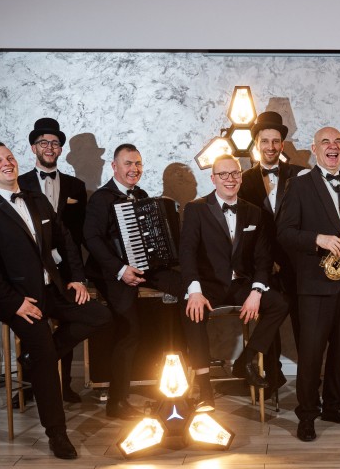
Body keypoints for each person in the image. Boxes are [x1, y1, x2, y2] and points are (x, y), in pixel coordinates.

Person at [0, 142, 112, 459]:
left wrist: (77, 277)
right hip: (15, 298)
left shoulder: (36, 198)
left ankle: (34, 360)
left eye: (9, 157)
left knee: (99, 316)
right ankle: (57, 433)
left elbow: (65, 239)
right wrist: (16, 303)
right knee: (46, 354)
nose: (6, 163)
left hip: (50, 289)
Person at [83, 143, 207, 419]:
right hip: (112, 272)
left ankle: (187, 376)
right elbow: (91, 239)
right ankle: (116, 402)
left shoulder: (141, 196)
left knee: (187, 290)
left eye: (138, 163)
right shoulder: (101, 198)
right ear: (114, 167)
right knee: (130, 331)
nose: (134, 168)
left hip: (143, 267)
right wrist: (121, 269)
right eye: (128, 163)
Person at [276, 126, 340, 442]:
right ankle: (307, 415)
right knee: (311, 353)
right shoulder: (299, 185)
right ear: (314, 149)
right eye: (325, 142)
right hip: (316, 281)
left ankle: (334, 406)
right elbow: (284, 232)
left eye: (338, 142)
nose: (332, 146)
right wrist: (317, 239)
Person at [180, 153, 289, 403]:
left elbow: (263, 258)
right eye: (223, 174)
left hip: (241, 285)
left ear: (241, 177)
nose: (230, 179)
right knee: (191, 311)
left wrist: (256, 292)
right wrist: (194, 291)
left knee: (280, 303)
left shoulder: (254, 213)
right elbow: (187, 253)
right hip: (208, 286)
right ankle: (204, 388)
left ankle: (246, 361)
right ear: (213, 179)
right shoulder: (196, 209)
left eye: (235, 173)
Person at [233, 111, 306, 396]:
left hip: (297, 263)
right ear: (256, 144)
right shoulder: (242, 179)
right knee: (270, 319)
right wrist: (263, 262)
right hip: (261, 266)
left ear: (282, 145)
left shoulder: (300, 175)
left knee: (303, 324)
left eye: (276, 141)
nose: (271, 147)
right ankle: (271, 378)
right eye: (265, 141)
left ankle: (309, 383)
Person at [18, 117, 88, 404]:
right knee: (32, 324)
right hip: (32, 268)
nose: (49, 147)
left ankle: (64, 384)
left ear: (61, 150)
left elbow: (80, 233)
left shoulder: (77, 186)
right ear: (33, 147)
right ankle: (28, 387)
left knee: (68, 322)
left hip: (66, 268)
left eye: (55, 143)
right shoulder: (19, 183)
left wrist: (81, 274)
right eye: (43, 142)